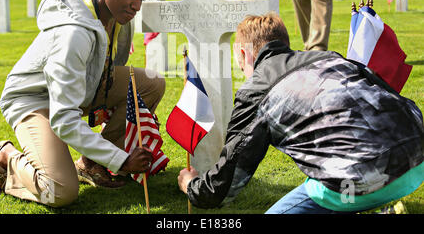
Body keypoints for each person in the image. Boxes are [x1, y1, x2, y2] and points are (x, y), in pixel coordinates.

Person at [177, 12, 423, 214]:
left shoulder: (256, 90)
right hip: (417, 160)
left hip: (359, 181)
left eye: (240, 64)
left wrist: (193, 186)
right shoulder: (329, 58)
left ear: (244, 54)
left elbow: (229, 180)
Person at [0, 0, 166, 207]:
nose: (137, 5)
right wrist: (121, 158)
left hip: (82, 88)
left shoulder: (117, 16)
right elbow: (63, 117)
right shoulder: (74, 35)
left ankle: (90, 164)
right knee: (60, 191)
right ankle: (6, 156)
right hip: (35, 100)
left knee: (150, 83)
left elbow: (109, 70)